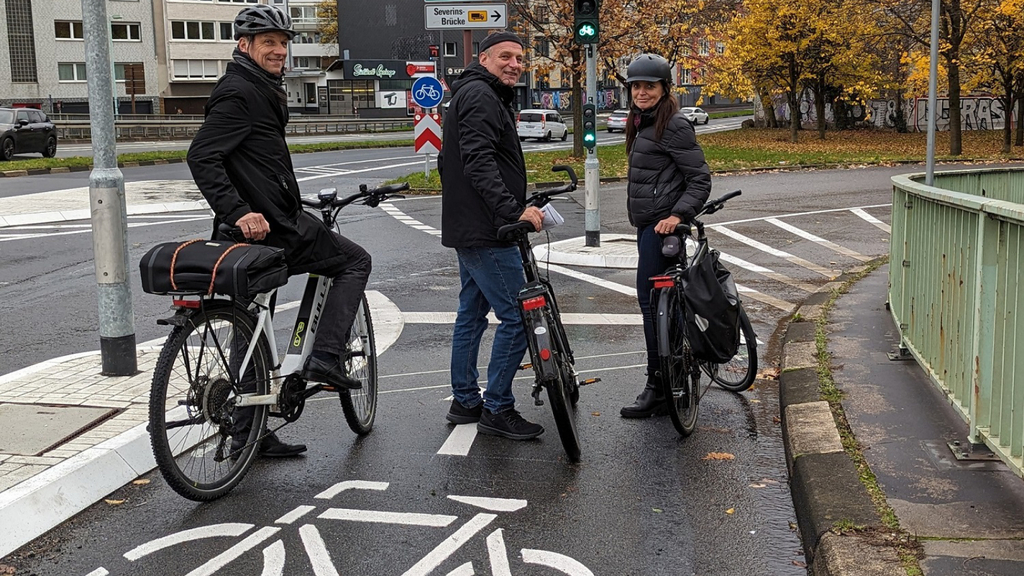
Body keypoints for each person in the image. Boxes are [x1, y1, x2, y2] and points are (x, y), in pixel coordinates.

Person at [187, 4, 371, 457]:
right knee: (354, 260)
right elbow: (201, 156)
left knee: (248, 323)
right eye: (268, 42)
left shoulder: (259, 87)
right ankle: (326, 357)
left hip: (263, 223)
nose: (279, 51)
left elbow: (253, 160)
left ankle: (247, 435)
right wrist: (239, 211)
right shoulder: (240, 92)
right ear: (243, 45)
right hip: (268, 228)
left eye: (284, 44)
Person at [438, 31, 546, 440]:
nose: (515, 64)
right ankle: (498, 408)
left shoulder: (473, 92)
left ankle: (465, 400)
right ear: (484, 58)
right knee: (519, 316)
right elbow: (478, 161)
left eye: (519, 58)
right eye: (506, 57)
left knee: (471, 314)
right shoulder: (482, 96)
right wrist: (511, 210)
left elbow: (457, 159)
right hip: (488, 229)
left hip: (472, 225)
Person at [619, 54, 712, 418]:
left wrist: (677, 215)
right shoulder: (642, 121)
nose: (641, 92)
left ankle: (658, 386)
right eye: (636, 86)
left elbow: (700, 180)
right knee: (662, 306)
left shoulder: (672, 124)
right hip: (648, 226)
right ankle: (674, 378)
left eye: (649, 86)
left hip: (662, 229)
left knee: (651, 305)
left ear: (664, 89)